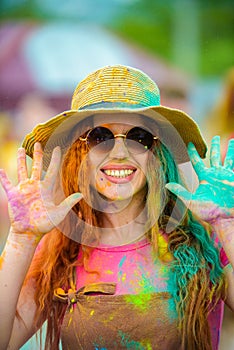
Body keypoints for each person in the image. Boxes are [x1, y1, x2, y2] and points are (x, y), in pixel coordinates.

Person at [0, 65, 233, 350]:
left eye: (138, 137)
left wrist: (226, 226)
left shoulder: (202, 241)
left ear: (156, 152)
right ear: (78, 151)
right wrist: (21, 238)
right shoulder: (57, 251)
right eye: (100, 137)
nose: (120, 153)